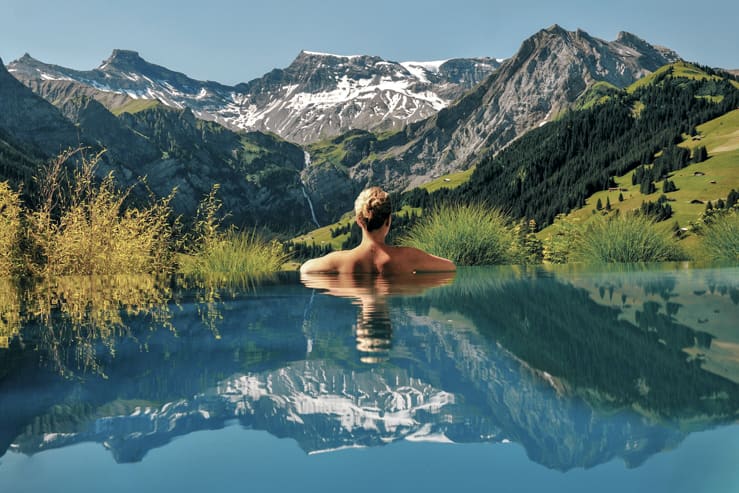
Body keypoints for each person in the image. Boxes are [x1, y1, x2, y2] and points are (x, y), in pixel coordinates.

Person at [299, 187, 456, 274]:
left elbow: (305, 269)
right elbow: (450, 267)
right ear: (389, 220)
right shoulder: (409, 257)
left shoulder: (339, 261)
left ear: (359, 221)